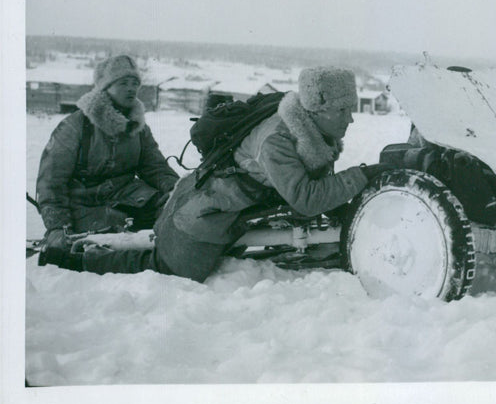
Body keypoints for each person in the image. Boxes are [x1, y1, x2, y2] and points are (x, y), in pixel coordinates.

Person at [38, 66, 390, 281]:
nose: (350, 119)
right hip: (201, 214)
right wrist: (362, 175)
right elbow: (306, 198)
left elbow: (311, 186)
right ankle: (77, 260)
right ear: (319, 109)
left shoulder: (311, 132)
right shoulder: (277, 140)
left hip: (224, 210)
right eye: (343, 110)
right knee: (170, 270)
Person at [36, 55, 180, 270]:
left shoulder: (137, 127)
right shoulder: (76, 126)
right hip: (86, 204)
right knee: (111, 240)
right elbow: (51, 183)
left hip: (129, 197)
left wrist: (178, 192)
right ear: (105, 87)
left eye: (135, 83)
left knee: (175, 213)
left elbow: (155, 167)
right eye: (123, 83)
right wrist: (57, 228)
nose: (131, 89)